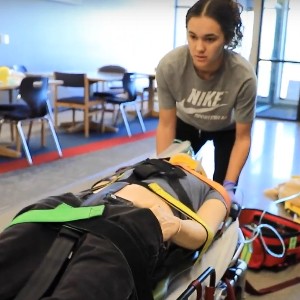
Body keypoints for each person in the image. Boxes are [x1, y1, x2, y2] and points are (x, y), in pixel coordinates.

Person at [0, 153, 230, 300]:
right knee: (24, 235)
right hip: (73, 206)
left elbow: (204, 232)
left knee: (83, 286)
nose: (184, 156)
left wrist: (176, 226)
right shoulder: (139, 164)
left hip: (136, 220)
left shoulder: (210, 188)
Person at [155, 0, 258, 200]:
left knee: (221, 194)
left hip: (226, 130)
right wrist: (162, 170)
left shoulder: (243, 76)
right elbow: (166, 124)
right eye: (192, 37)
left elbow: (243, 137)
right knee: (174, 185)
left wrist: (229, 186)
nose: (199, 47)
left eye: (210, 39)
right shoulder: (169, 66)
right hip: (186, 124)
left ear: (227, 38)